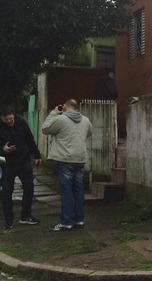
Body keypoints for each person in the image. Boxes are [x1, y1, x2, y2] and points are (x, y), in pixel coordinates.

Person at [41, 99, 92, 231]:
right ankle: (79, 219)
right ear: (76, 108)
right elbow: (89, 133)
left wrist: (53, 113)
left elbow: (45, 129)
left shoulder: (61, 119)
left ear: (64, 107)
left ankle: (66, 221)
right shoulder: (86, 120)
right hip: (80, 158)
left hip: (65, 159)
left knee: (66, 191)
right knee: (79, 190)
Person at [0, 106, 43, 229]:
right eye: (5, 119)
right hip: (6, 163)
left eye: (10, 118)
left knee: (29, 187)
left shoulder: (22, 124)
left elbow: (30, 140)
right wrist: (2, 149)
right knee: (6, 192)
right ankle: (8, 220)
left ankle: (26, 216)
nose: (8, 121)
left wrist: (37, 155)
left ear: (14, 114)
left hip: (24, 161)